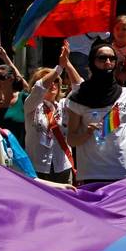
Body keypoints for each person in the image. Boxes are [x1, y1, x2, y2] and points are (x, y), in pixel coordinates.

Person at [66, 41, 126, 184]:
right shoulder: (78, 97)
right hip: (91, 174)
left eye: (112, 58)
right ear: (92, 61)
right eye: (102, 58)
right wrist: (87, 134)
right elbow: (71, 139)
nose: (108, 62)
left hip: (121, 172)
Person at [23, 41, 83, 184]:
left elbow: (80, 88)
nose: (53, 84)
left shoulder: (63, 105)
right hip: (36, 168)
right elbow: (38, 88)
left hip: (62, 167)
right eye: (49, 81)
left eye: (56, 80)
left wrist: (67, 64)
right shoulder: (31, 106)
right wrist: (57, 69)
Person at [0, 45, 29, 146]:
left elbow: (26, 86)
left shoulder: (23, 98)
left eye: (1, 77)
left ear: (11, 79)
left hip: (20, 154)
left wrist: (5, 57)